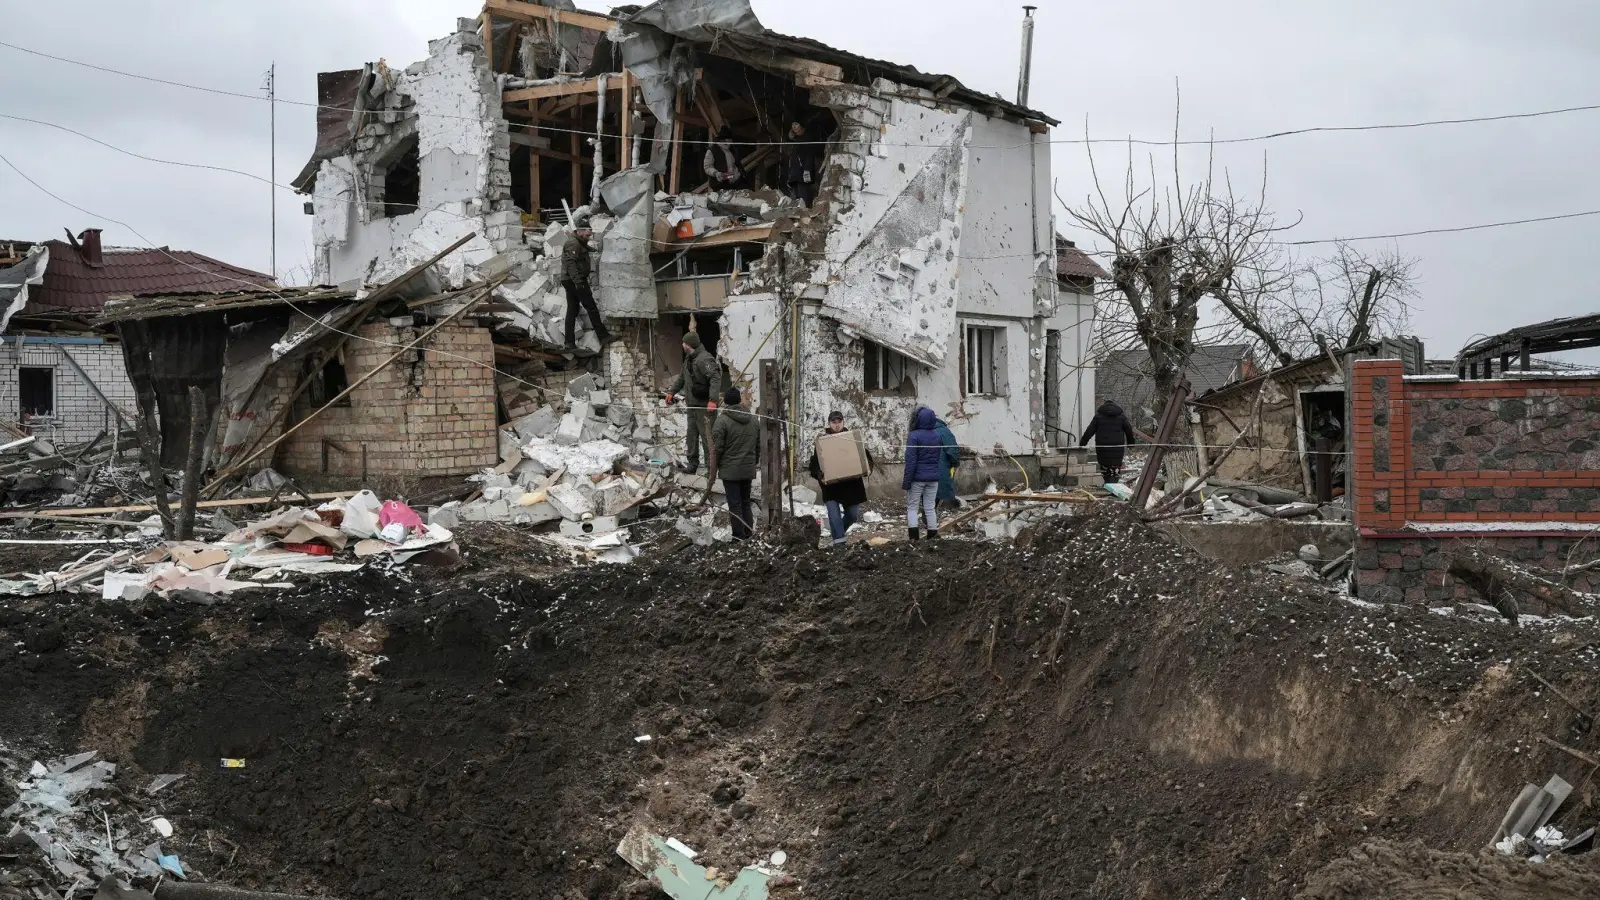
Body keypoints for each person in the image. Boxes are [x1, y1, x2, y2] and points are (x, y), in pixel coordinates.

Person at [808, 410, 872, 546]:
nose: (836, 425)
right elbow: (814, 464)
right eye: (833, 422)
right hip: (831, 487)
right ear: (829, 423)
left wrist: (866, 468)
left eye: (839, 421)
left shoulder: (852, 439)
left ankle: (837, 535)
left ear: (843, 422)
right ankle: (839, 545)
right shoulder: (822, 442)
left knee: (853, 515)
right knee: (834, 515)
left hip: (851, 486)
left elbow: (864, 458)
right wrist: (819, 474)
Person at [665, 332, 723, 474]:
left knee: (707, 438)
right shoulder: (689, 359)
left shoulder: (704, 359)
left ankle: (711, 469)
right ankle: (692, 464)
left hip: (704, 408)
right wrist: (671, 392)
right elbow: (682, 378)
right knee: (691, 437)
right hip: (692, 406)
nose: (682, 345)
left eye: (683, 343)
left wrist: (713, 400)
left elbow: (715, 378)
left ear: (688, 345)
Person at [710, 387, 760, 541]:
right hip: (747, 469)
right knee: (745, 502)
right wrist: (754, 462)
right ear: (739, 400)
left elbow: (717, 449)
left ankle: (738, 536)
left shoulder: (722, 420)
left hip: (730, 471)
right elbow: (758, 445)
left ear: (725, 402)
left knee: (735, 505)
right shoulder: (753, 419)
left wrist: (713, 468)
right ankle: (748, 534)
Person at [560, 219, 612, 349]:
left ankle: (569, 342)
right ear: (580, 231)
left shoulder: (579, 241)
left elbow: (583, 247)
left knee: (573, 310)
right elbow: (570, 263)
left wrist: (594, 250)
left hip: (569, 280)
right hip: (575, 281)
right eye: (587, 235)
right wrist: (578, 282)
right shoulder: (573, 243)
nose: (589, 237)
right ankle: (603, 336)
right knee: (591, 308)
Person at [903, 406, 943, 540]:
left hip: (917, 478)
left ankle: (914, 538)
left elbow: (910, 461)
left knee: (913, 507)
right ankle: (932, 535)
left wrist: (906, 482)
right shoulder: (937, 436)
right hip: (933, 478)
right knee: (930, 507)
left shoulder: (914, 436)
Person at [1079, 397, 1137, 485]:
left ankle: (1108, 482)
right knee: (1115, 467)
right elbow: (1129, 431)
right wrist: (1131, 443)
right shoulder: (1122, 417)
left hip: (1103, 448)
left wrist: (1083, 442)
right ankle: (1114, 483)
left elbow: (1089, 431)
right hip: (1117, 449)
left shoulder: (1098, 417)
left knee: (1105, 467)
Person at [781, 121, 820, 207]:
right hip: (795, 172)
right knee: (797, 196)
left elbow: (809, 155)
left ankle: (806, 212)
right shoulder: (794, 140)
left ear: (802, 125)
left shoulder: (807, 138)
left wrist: (807, 170)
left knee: (804, 194)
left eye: (796, 124)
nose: (794, 127)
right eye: (792, 125)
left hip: (804, 171)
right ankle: (800, 213)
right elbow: (790, 156)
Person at [933, 414, 961, 509]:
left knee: (926, 497)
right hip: (940, 468)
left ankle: (925, 517)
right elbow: (952, 450)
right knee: (938, 492)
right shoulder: (944, 431)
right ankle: (931, 518)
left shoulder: (919, 432)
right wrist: (955, 463)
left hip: (922, 471)